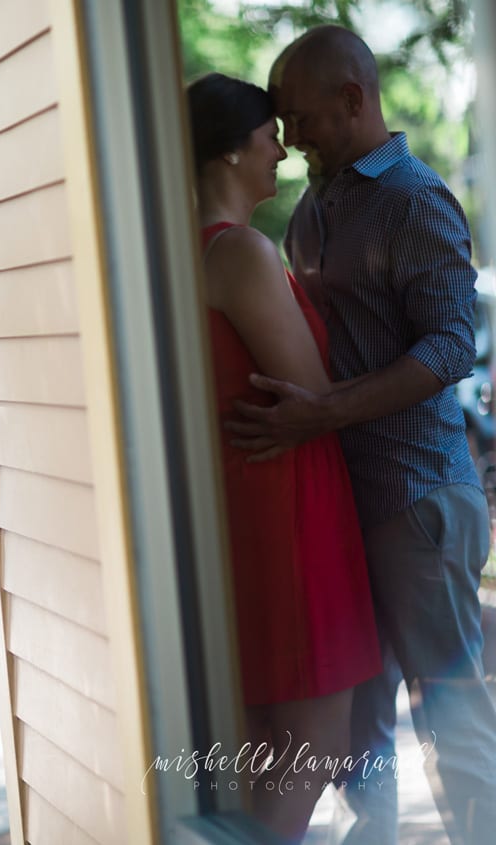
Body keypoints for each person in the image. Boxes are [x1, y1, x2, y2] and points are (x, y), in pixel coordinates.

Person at [230, 25, 496, 844]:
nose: (290, 137)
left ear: (354, 100)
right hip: (350, 507)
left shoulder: (414, 198)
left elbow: (454, 343)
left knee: (450, 719)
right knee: (361, 725)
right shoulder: (317, 201)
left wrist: (327, 411)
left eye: (302, 119)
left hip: (416, 501)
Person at [187, 72, 382, 842]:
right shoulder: (239, 251)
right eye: (271, 136)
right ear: (235, 150)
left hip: (249, 496)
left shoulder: (183, 250)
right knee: (310, 750)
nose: (283, 151)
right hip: (287, 500)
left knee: (268, 751)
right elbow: (309, 389)